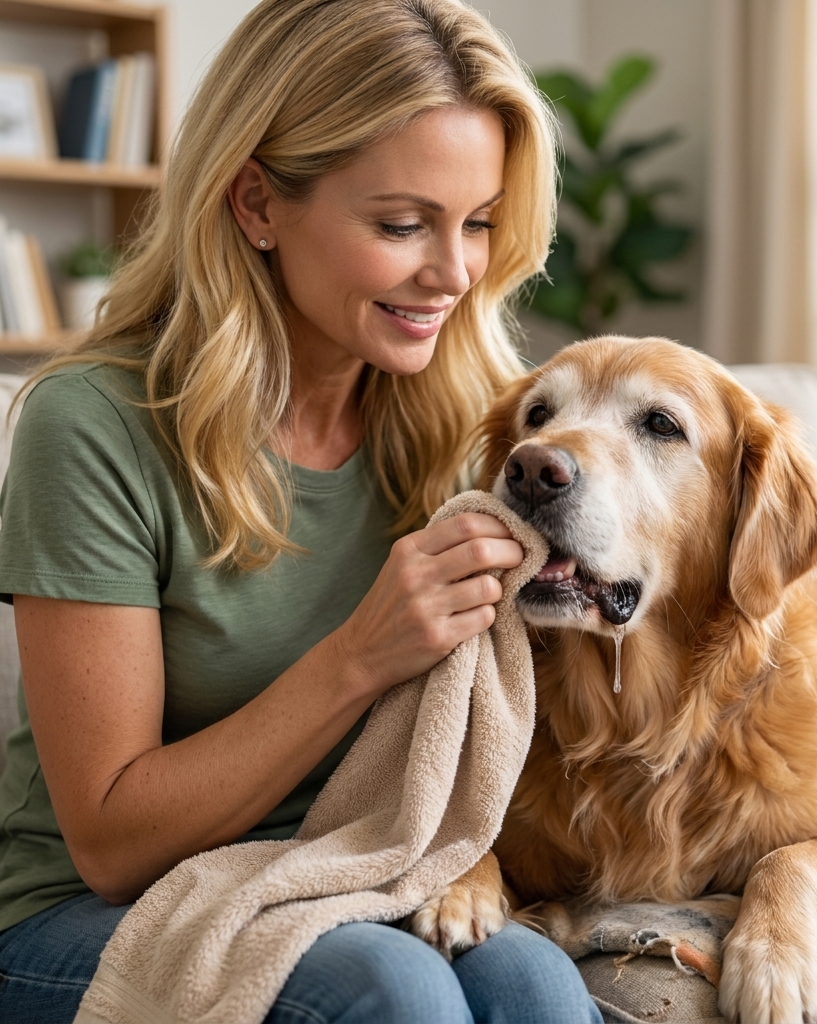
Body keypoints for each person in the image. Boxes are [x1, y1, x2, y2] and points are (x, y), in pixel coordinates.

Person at [0, 2, 603, 1021]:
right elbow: (109, 843)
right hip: (79, 914)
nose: (453, 272)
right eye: (401, 224)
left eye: (480, 222)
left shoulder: (469, 421)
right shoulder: (93, 423)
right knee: (388, 989)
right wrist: (363, 651)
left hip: (341, 878)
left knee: (531, 980)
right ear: (255, 205)